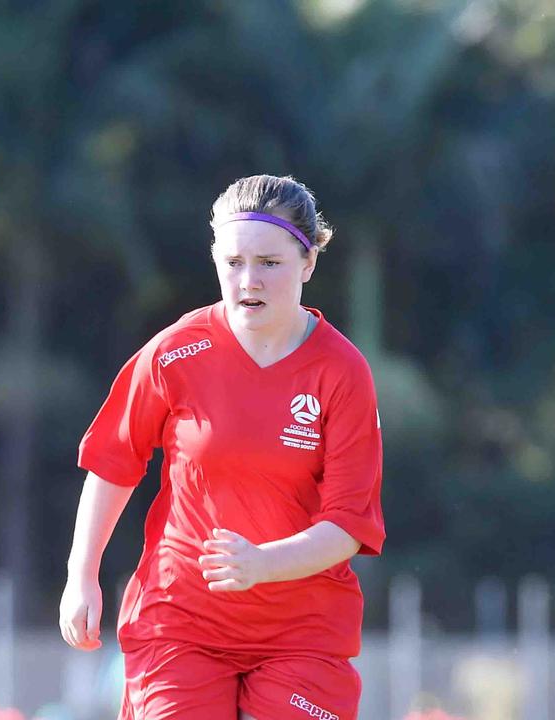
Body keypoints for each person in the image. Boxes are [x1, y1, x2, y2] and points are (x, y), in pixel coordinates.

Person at [59, 175, 384, 720]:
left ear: (307, 264)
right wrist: (81, 575)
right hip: (180, 623)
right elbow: (114, 464)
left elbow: (349, 525)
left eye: (270, 263)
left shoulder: (343, 372)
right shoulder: (176, 351)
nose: (249, 280)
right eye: (233, 263)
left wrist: (262, 563)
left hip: (302, 633)